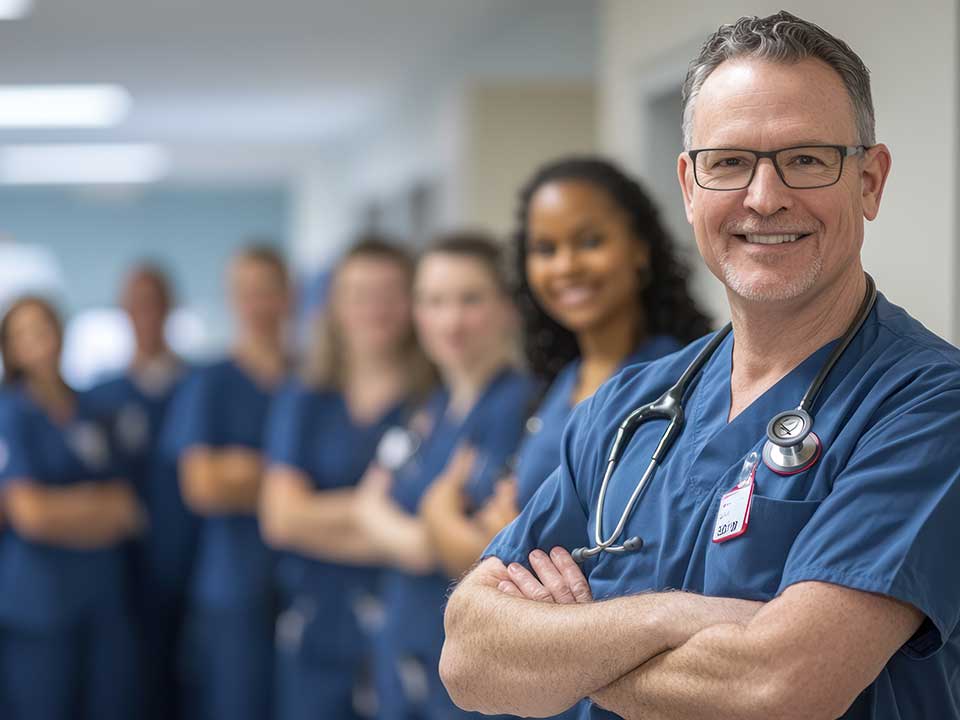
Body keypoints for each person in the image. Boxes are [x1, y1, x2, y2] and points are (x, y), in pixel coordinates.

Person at [440, 11, 960, 720]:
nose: (764, 196)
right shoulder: (631, 404)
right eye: (729, 162)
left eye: (807, 158)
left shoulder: (928, 407)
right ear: (689, 186)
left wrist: (564, 653)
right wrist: (674, 616)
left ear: (869, 180)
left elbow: (775, 687)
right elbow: (471, 657)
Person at [421, 158, 710, 602]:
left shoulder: (675, 382)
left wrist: (439, 514)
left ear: (639, 247)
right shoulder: (563, 381)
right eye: (546, 249)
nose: (566, 266)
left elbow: (530, 560)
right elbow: (510, 550)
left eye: (590, 242)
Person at [259, 238, 434, 720]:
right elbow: (280, 520)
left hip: (405, 625)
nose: (374, 309)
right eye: (359, 295)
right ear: (334, 306)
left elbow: (433, 533)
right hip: (316, 623)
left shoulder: (435, 400)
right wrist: (383, 515)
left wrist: (321, 517)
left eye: (389, 294)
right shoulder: (305, 399)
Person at [0, 296, 144, 720]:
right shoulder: (11, 415)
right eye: (23, 335)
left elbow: (126, 509)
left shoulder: (94, 412)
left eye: (43, 328)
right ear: (9, 348)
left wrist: (59, 509)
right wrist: (90, 506)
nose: (38, 343)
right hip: (38, 605)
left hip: (101, 600)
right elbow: (30, 515)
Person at [165, 245, 290, 720]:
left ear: (287, 296)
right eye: (245, 293)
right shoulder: (209, 383)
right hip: (233, 584)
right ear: (232, 300)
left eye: (267, 291)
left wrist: (243, 467)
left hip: (307, 580)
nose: (257, 304)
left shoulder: (309, 379)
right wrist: (290, 476)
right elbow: (203, 487)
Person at [86, 264, 196, 720]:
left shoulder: (198, 386)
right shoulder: (101, 396)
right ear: (123, 311)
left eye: (154, 302)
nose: (146, 314)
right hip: (126, 570)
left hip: (193, 563)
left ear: (171, 309)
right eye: (136, 304)